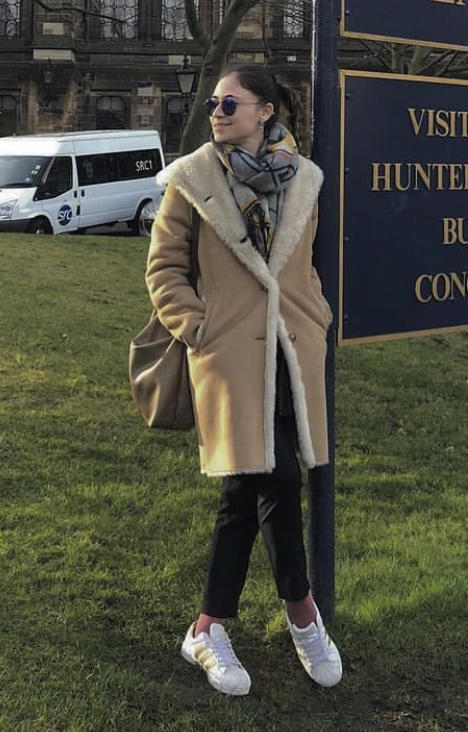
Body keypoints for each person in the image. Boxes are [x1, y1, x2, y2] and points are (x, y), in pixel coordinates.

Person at [145, 65, 340, 696]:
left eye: (230, 103)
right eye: (213, 103)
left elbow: (306, 267)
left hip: (291, 349)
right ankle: (297, 615)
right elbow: (164, 268)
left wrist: (317, 315)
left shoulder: (304, 180)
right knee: (263, 478)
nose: (217, 112)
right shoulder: (193, 179)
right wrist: (198, 327)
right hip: (228, 352)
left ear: (265, 111)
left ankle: (214, 627)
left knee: (260, 480)